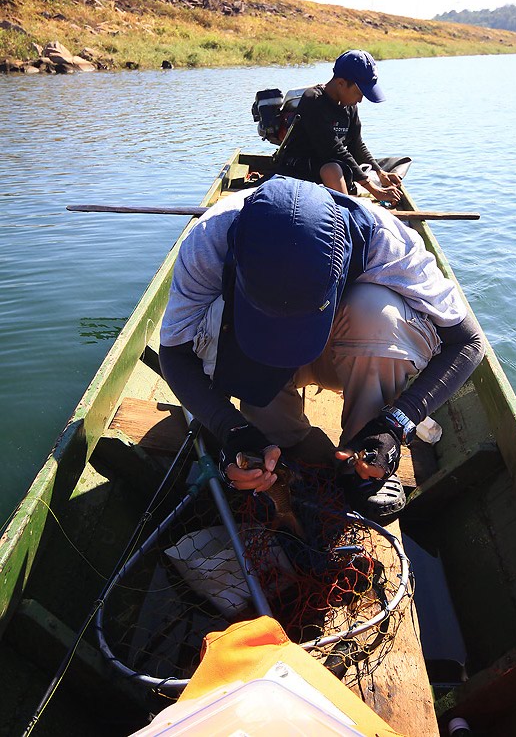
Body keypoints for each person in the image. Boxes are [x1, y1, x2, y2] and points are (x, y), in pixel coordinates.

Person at [159, 176, 484, 522]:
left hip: (340, 351)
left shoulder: (387, 244)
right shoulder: (207, 242)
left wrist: (397, 423)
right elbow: (174, 354)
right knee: (216, 317)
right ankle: (279, 444)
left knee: (379, 312)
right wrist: (231, 430)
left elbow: (469, 342)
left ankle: (364, 452)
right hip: (250, 352)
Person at [275, 49, 403, 203]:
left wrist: (379, 172)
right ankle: (346, 213)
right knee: (332, 169)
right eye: (359, 93)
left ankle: (345, 201)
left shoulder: (349, 104)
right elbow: (334, 149)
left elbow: (357, 144)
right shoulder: (313, 100)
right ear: (341, 83)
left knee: (336, 167)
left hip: (331, 166)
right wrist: (375, 190)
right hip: (299, 167)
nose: (361, 100)